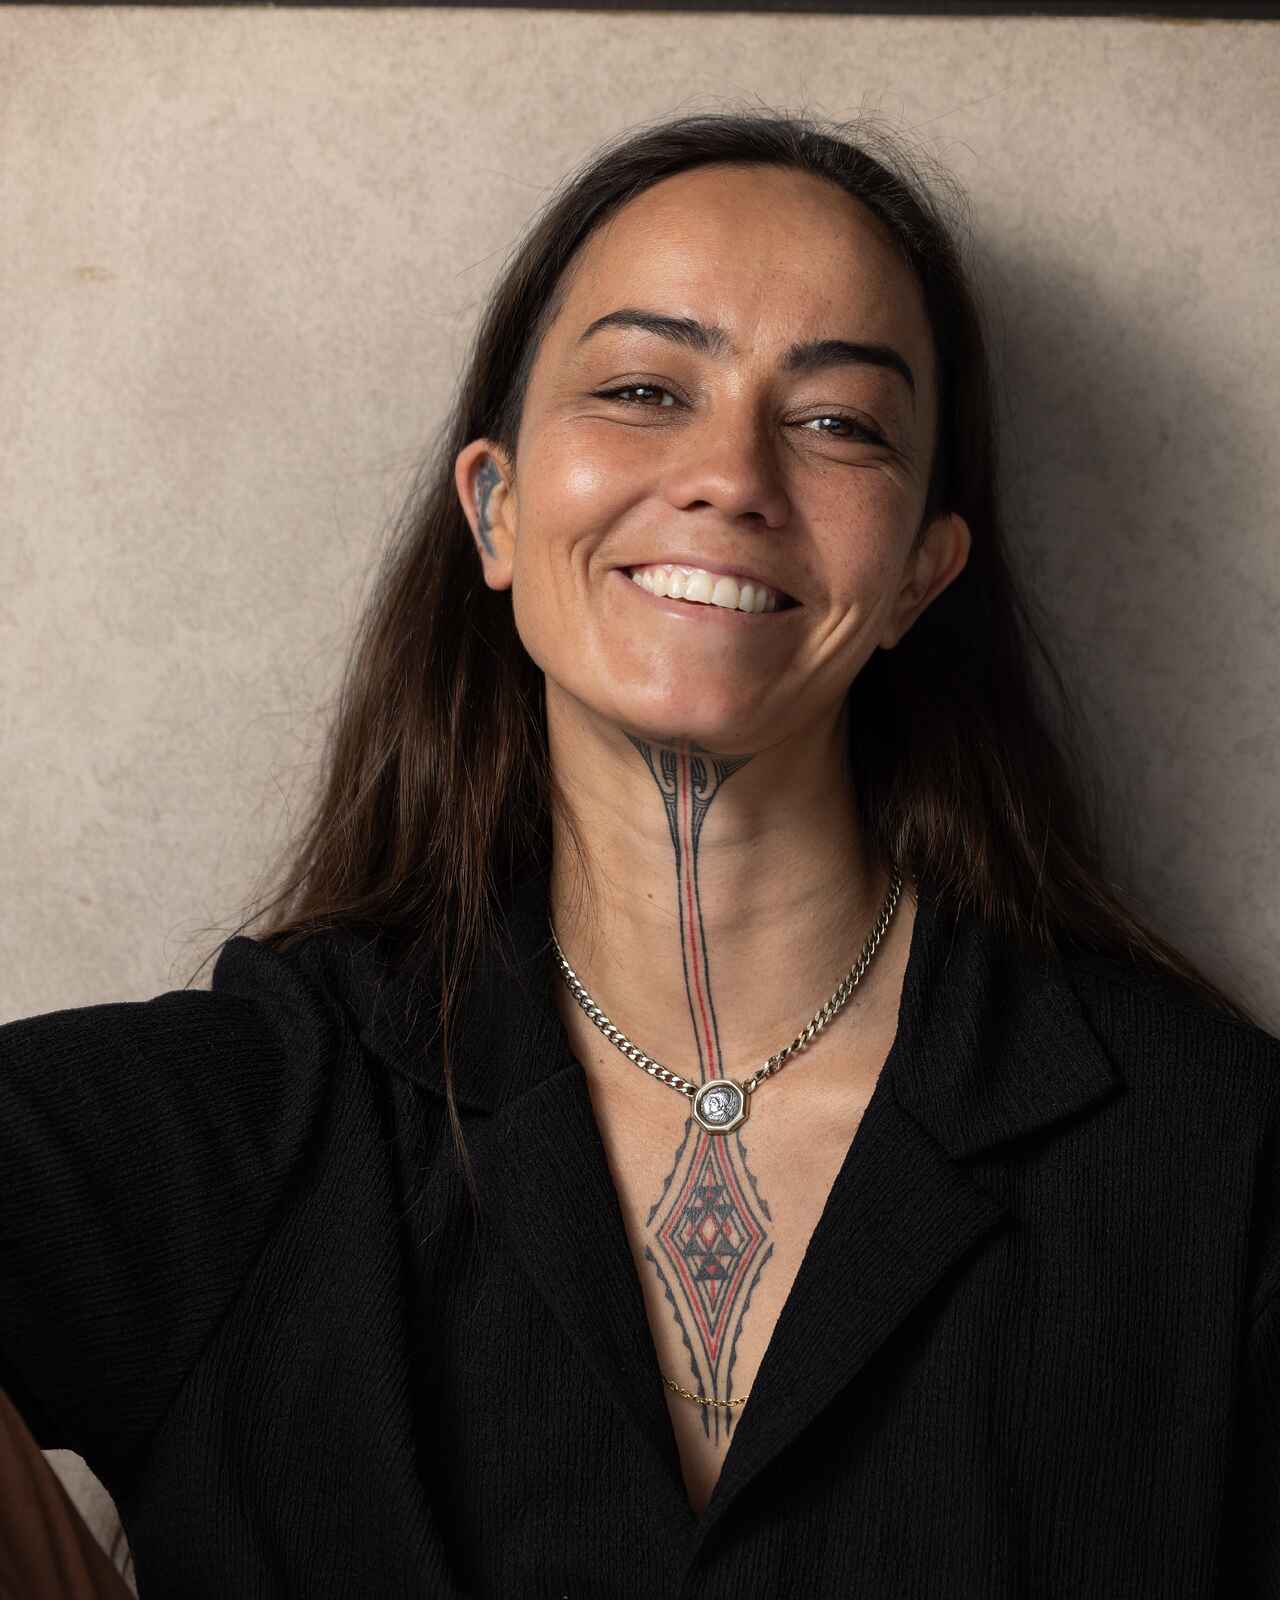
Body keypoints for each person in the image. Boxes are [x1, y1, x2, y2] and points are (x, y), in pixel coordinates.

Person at [2, 107, 1277, 1598]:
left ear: (923, 570)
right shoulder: (263, 1117)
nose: (732, 475)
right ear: (495, 507)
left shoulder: (1217, 1167)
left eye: (839, 421)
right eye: (642, 387)